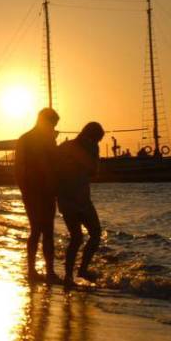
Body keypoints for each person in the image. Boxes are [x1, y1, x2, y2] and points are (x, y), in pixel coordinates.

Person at [56, 122, 105, 288]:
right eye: (97, 139)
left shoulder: (65, 146)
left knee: (77, 237)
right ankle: (81, 270)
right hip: (78, 199)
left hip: (67, 199)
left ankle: (70, 275)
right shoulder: (90, 148)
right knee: (94, 233)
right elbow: (94, 171)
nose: (96, 142)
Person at [14, 108, 60, 283]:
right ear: (45, 121)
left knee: (41, 230)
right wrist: (26, 189)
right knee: (43, 230)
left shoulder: (26, 139)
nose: (54, 126)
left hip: (41, 190)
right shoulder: (34, 139)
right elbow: (20, 168)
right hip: (37, 190)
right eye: (53, 123)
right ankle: (42, 272)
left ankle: (39, 271)